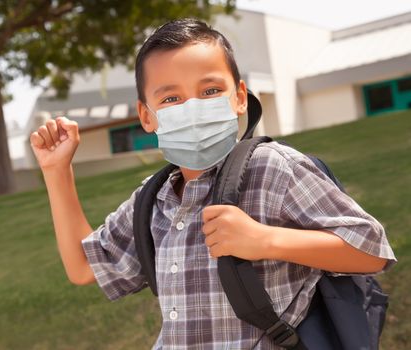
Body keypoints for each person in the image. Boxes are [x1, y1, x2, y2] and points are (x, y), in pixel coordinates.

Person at [29, 18, 396, 349]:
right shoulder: (152, 199)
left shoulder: (273, 168)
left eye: (209, 91)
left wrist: (266, 239)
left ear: (238, 97)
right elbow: (84, 268)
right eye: (171, 98)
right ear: (146, 116)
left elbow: (372, 250)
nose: (192, 107)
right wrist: (57, 171)